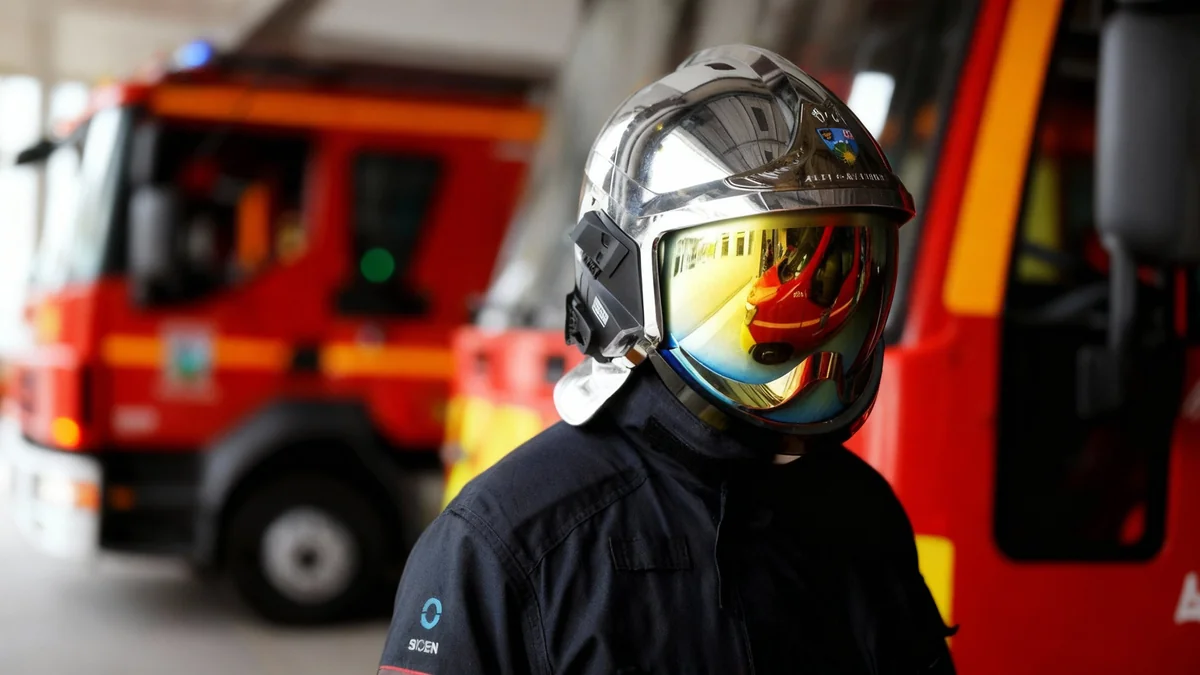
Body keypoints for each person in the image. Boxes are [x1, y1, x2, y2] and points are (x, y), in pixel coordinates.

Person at [379, 44, 956, 675]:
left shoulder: (858, 512)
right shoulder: (506, 541)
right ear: (624, 275)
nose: (821, 307)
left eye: (849, 258)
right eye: (758, 260)